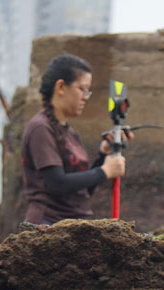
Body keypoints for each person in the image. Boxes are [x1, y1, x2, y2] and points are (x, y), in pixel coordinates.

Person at [21, 54, 128, 225]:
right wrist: (105, 171)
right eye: (82, 89)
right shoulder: (41, 128)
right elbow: (57, 183)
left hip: (74, 226)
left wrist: (103, 155)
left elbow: (82, 190)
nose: (85, 97)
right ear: (61, 87)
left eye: (88, 91)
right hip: (48, 226)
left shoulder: (71, 133)